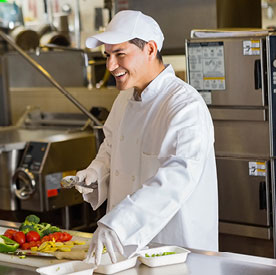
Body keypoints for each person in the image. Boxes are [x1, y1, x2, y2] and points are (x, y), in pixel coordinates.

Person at [76, 10, 218, 265]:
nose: (110, 66)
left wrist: (119, 225)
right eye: (108, 55)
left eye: (120, 54)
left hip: (175, 249)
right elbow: (111, 147)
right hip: (125, 249)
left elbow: (174, 181)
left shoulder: (185, 106)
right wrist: (96, 171)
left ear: (150, 49)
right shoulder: (124, 99)